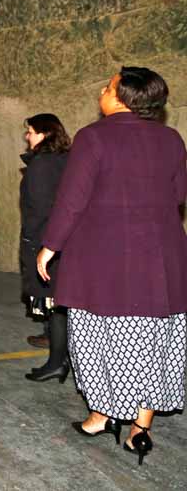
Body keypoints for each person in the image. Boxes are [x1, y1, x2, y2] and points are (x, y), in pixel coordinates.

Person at [38, 67, 187, 465]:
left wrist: (50, 246)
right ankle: (140, 429)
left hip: (103, 260)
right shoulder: (171, 138)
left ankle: (101, 415)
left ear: (121, 97)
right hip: (160, 261)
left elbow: (73, 199)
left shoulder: (94, 136)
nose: (101, 91)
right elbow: (177, 196)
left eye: (106, 87)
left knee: (97, 337)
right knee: (153, 342)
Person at [18, 114, 71, 381]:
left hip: (45, 242)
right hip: (65, 241)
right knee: (61, 303)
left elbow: (39, 209)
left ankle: (57, 362)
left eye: (30, 131)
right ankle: (60, 356)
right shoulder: (66, 159)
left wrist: (31, 241)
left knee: (56, 306)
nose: (27, 136)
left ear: (44, 133)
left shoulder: (41, 164)